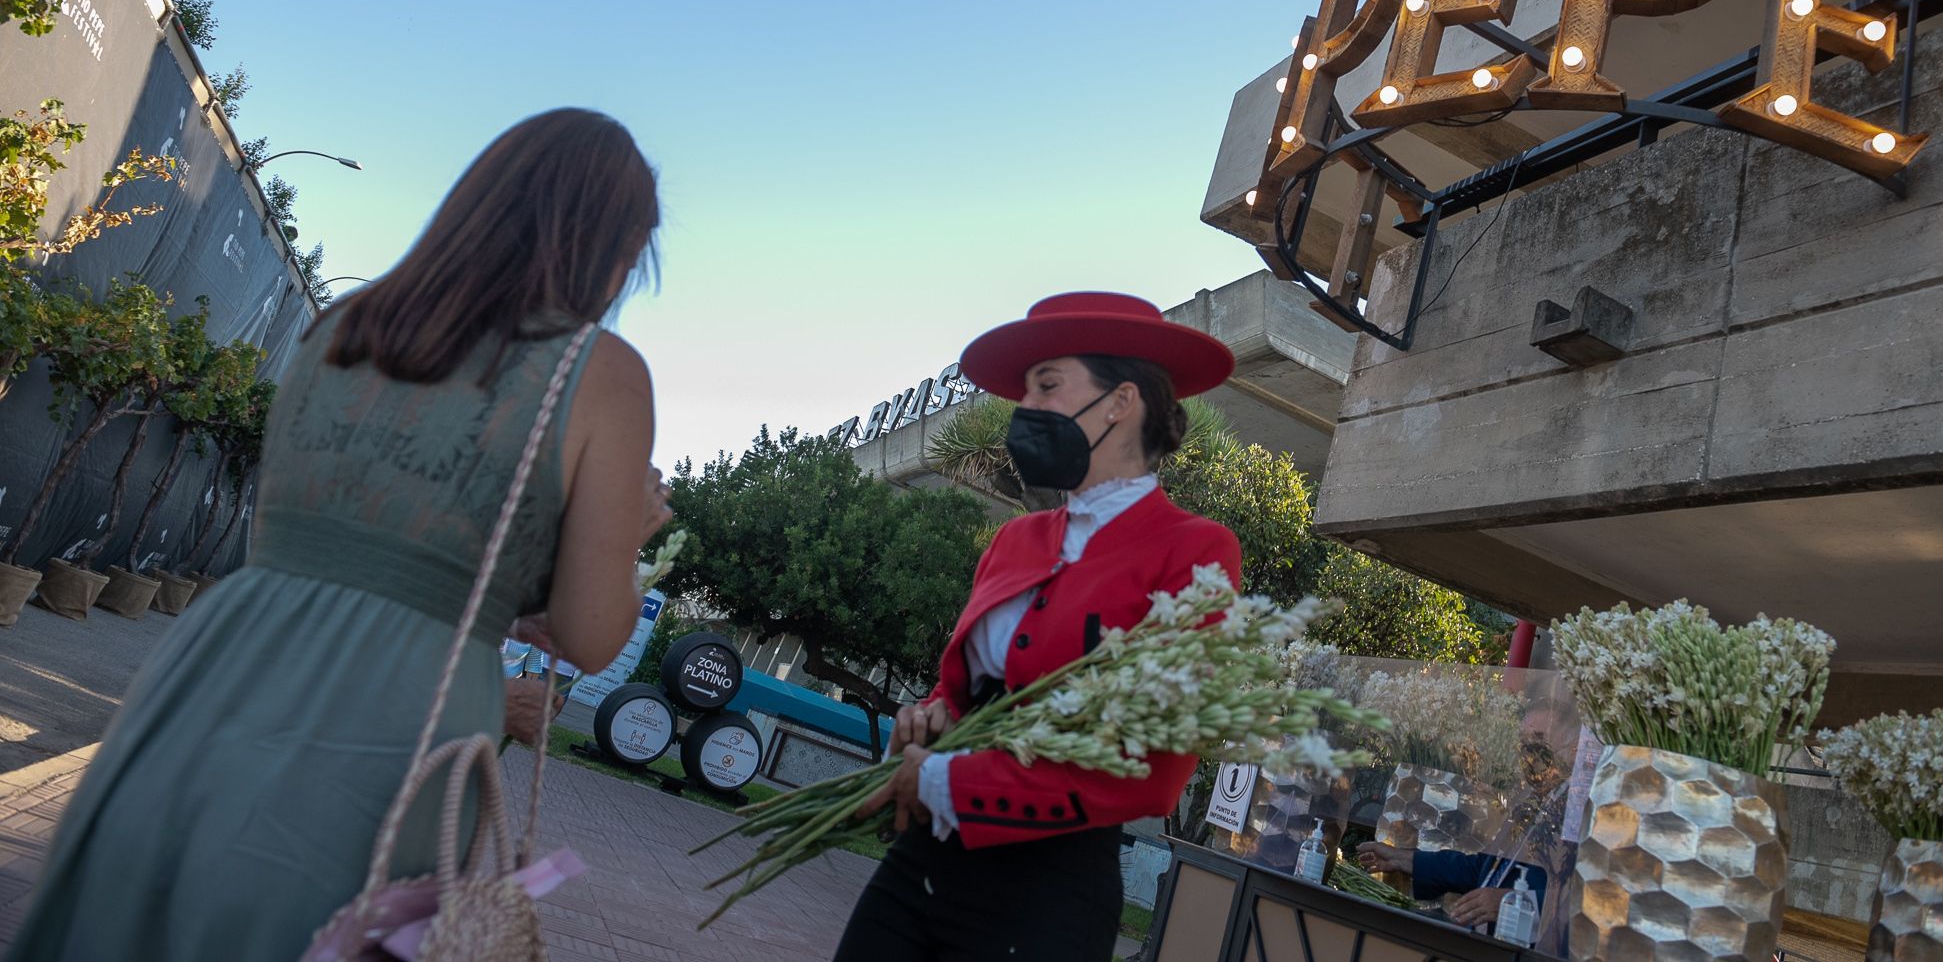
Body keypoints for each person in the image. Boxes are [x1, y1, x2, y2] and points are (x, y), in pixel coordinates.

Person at [7, 108, 669, 962]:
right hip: (388, 722)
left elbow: (348, 534)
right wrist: (631, 536)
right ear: (600, 243)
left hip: (219, 665)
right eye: (630, 253)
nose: (623, 278)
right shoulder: (603, 374)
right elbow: (590, 632)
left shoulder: (347, 323)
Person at [834, 291, 1245, 962]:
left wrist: (946, 783)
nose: (1024, 407)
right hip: (920, 863)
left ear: (1122, 401)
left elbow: (1155, 774)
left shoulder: (1196, 550)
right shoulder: (1016, 538)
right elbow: (966, 693)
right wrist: (932, 716)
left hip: (1047, 894)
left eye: (1047, 384)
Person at [1351, 698, 1575, 932]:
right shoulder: (1530, 801)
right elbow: (1481, 868)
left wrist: (1513, 902)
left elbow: (1588, 901)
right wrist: (1401, 858)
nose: (1529, 752)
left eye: (1539, 739)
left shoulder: (1579, 812)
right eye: (1523, 741)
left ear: (1572, 748)